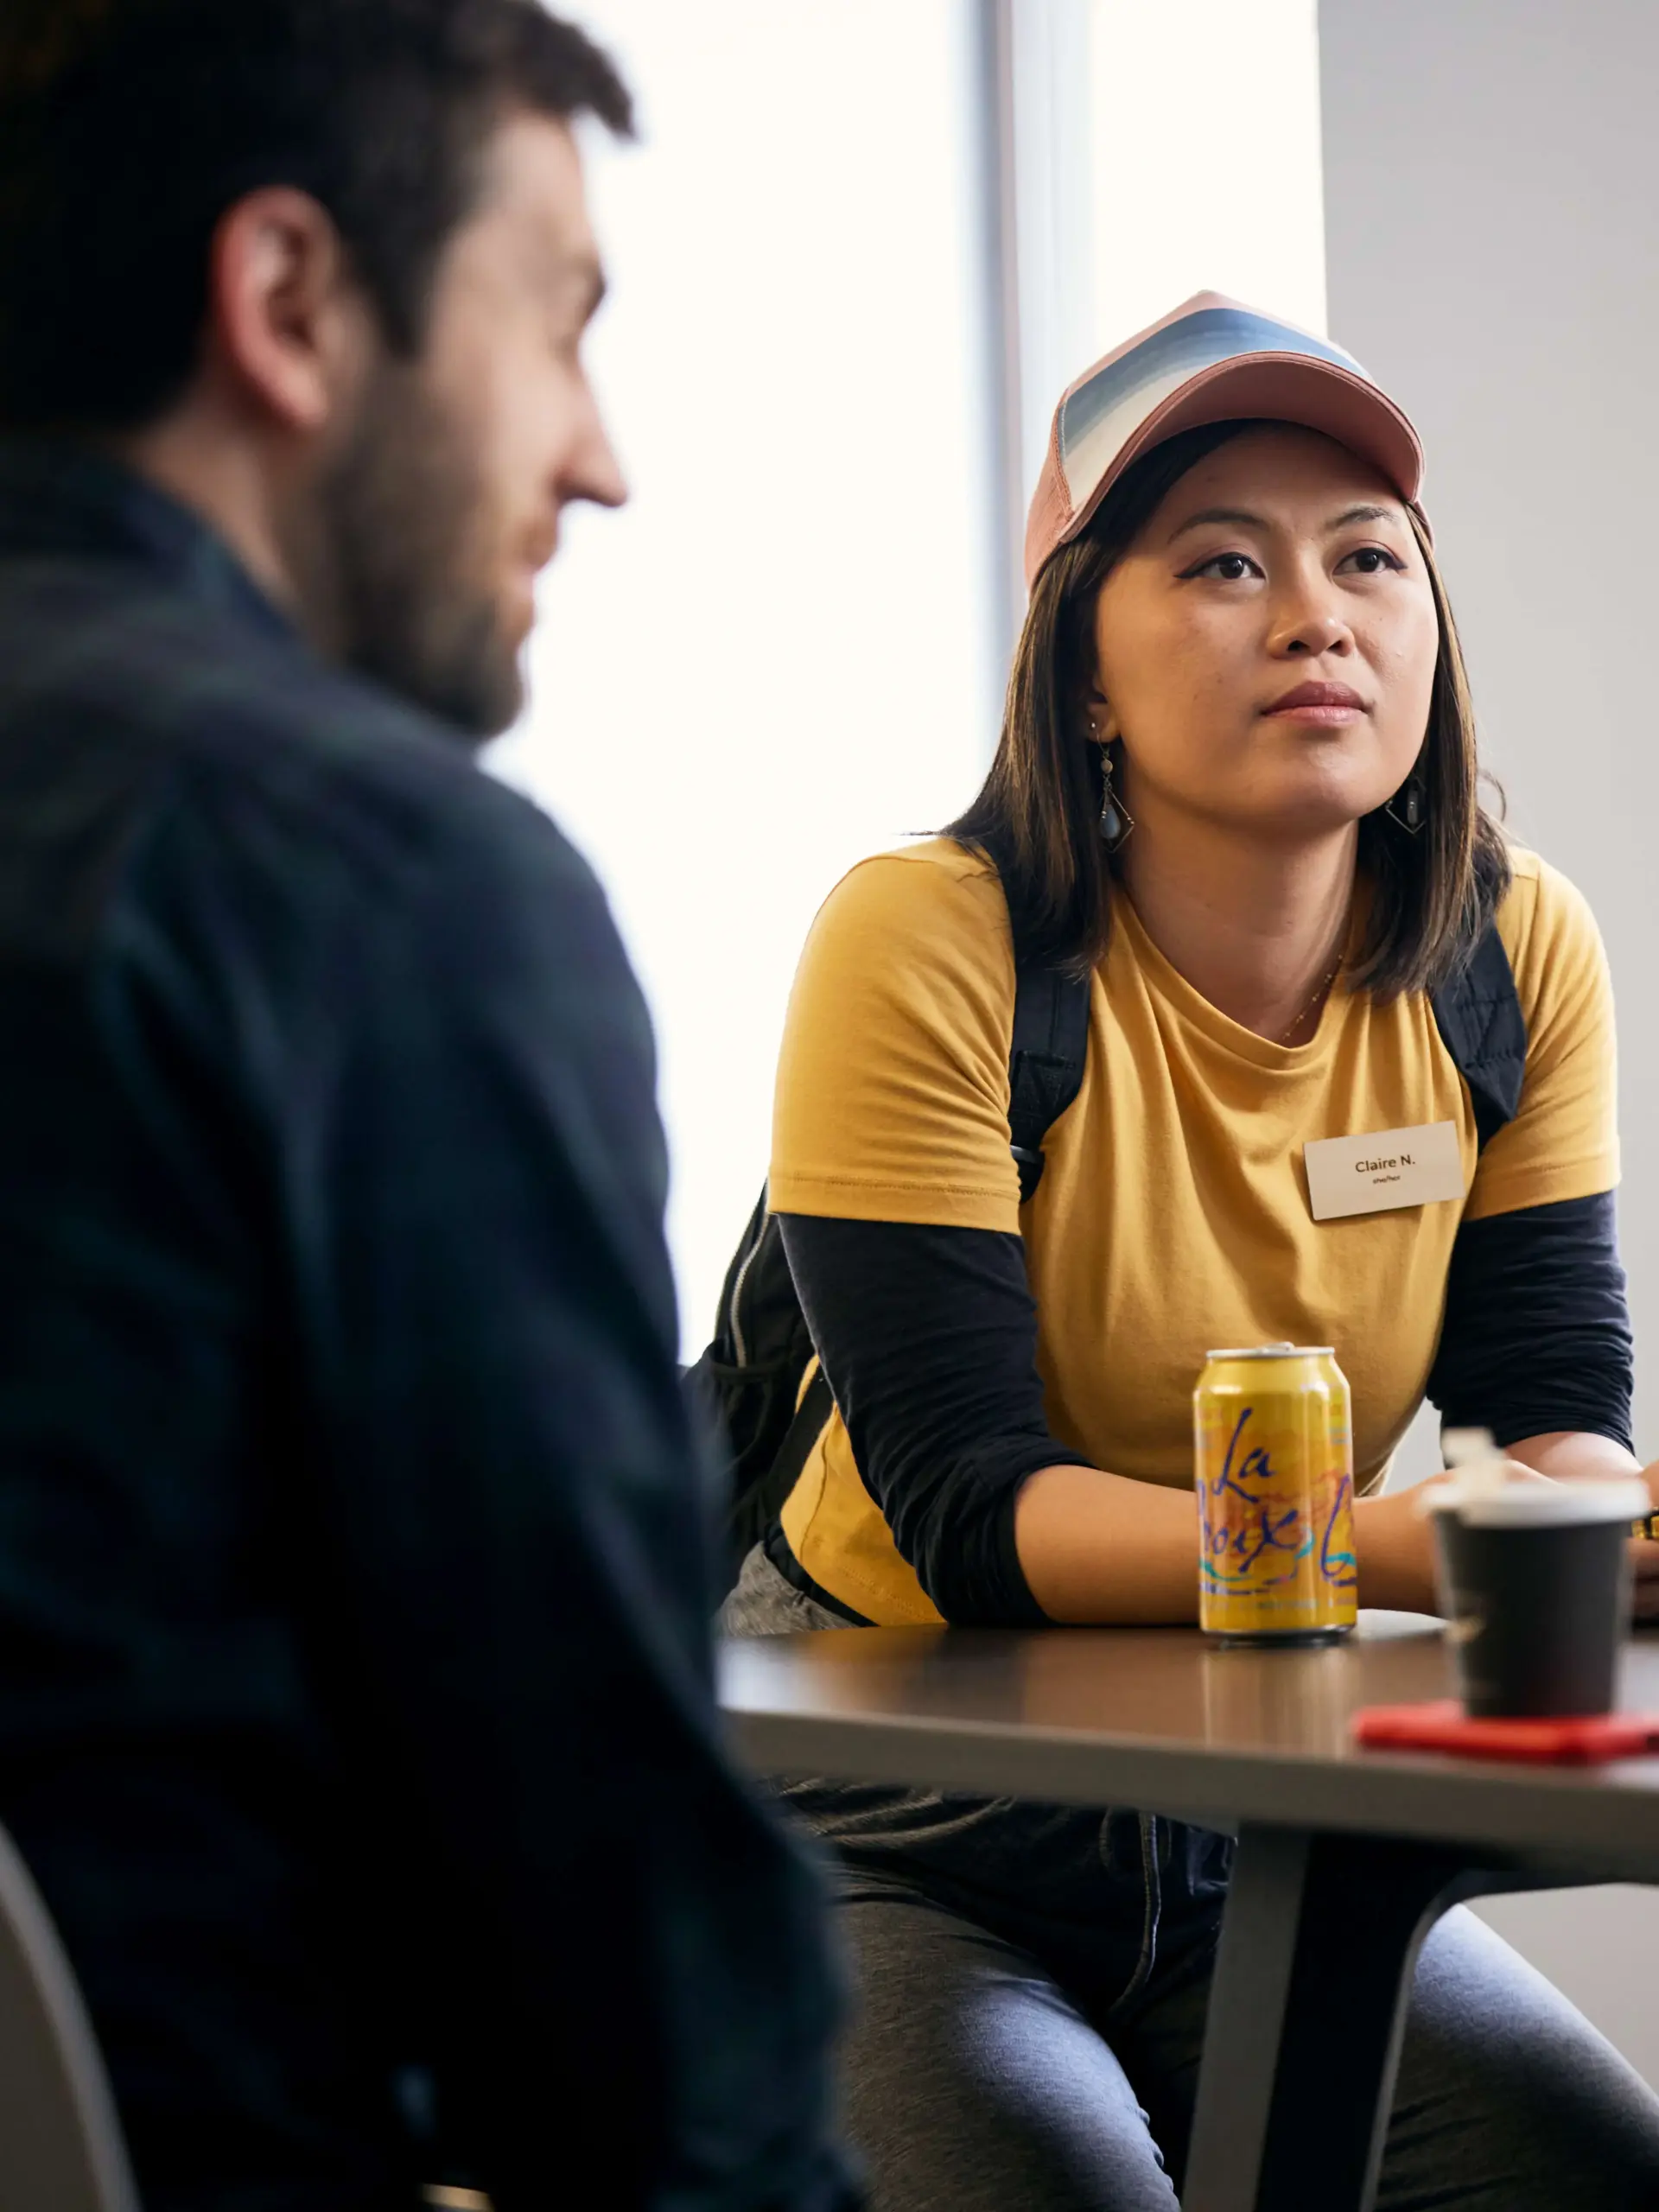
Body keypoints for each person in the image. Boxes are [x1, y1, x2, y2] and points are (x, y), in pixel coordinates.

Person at [0, 5, 855, 2210]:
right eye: (558, 322)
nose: (602, 457)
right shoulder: (381, 885)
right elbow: (631, 1995)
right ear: (291, 302)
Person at [723, 292, 1659, 2208]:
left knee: (1586, 2170)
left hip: (1255, 1801)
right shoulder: (927, 937)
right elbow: (975, 1506)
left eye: (1368, 557)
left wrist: (1599, 1540)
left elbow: (1550, 1410)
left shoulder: (1513, 947)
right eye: (1223, 561)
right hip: (880, 1795)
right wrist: (1431, 1546)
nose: (1317, 611)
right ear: (1081, 672)